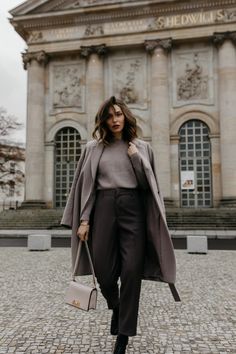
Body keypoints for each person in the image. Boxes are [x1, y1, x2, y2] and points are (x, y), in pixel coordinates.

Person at [61, 96, 180, 354]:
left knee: (130, 272)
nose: (115, 120)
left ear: (125, 116)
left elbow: (148, 186)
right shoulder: (93, 148)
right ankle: (116, 306)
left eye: (118, 114)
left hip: (132, 208)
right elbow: (89, 187)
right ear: (103, 120)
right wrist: (84, 220)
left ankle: (123, 336)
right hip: (103, 208)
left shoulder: (142, 147)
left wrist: (136, 157)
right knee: (103, 271)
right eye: (109, 116)